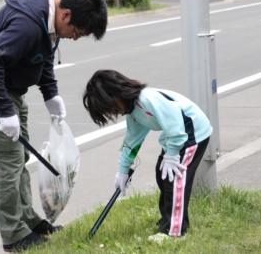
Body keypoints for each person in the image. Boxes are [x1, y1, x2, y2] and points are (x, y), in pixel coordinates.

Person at [0, 0, 108, 252]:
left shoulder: (52, 13)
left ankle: (27, 219)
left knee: (19, 159)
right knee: (5, 165)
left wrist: (50, 94)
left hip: (11, 89)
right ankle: (14, 236)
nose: (75, 38)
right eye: (77, 33)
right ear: (66, 15)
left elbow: (44, 54)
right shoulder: (28, 24)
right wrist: (4, 110)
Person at [82, 69, 212, 241]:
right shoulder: (134, 111)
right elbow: (132, 141)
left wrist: (172, 154)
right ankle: (168, 220)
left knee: (175, 179)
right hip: (175, 136)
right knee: (162, 174)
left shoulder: (147, 100)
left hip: (191, 133)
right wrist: (123, 170)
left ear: (116, 94)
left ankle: (173, 231)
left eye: (111, 107)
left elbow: (176, 123)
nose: (114, 112)